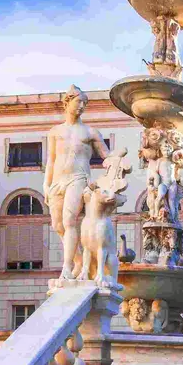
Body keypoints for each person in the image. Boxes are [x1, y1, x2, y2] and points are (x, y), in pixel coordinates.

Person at [43, 87, 113, 281]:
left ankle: (66, 267)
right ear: (68, 102)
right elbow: (51, 159)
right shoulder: (55, 132)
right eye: (78, 102)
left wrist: (117, 163)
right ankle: (79, 260)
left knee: (69, 220)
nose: (82, 106)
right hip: (58, 180)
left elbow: (106, 156)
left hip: (78, 178)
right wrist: (46, 185)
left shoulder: (90, 132)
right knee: (58, 225)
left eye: (85, 103)